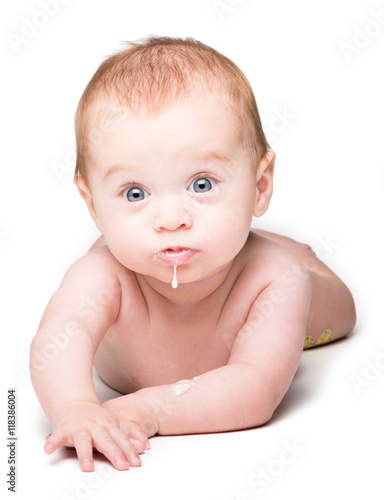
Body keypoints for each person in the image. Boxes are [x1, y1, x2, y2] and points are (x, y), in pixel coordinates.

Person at [30, 36, 356, 472]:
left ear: (260, 187)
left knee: (332, 308)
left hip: (293, 292)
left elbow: (255, 388)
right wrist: (73, 405)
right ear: (93, 206)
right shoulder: (103, 275)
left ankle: (296, 252)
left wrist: (150, 409)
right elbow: (57, 339)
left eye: (202, 184)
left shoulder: (274, 281)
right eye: (134, 193)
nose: (170, 219)